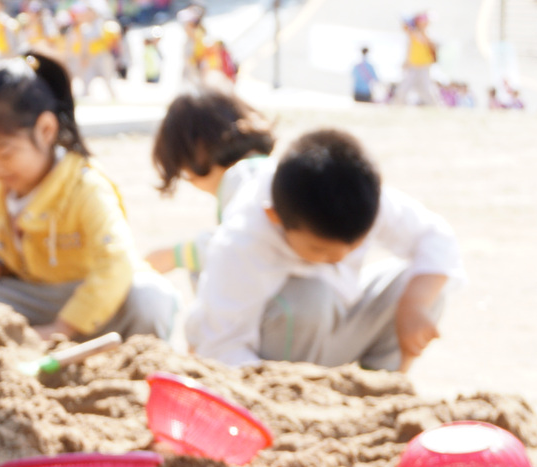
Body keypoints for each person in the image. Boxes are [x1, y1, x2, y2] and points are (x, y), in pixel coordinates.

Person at [182, 129, 461, 372]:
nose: (339, 258)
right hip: (275, 356)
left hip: (337, 329)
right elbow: (220, 346)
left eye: (355, 245)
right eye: (320, 250)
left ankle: (377, 393)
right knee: (309, 297)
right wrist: (275, 391)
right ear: (275, 218)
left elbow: (436, 238)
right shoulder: (242, 240)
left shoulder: (357, 195)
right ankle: (300, 393)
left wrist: (414, 306)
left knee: (420, 282)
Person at [0, 55, 179, 340]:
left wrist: (63, 329)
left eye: (4, 153)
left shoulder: (86, 186)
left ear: (46, 130)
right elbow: (11, 254)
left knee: (149, 297)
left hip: (96, 301)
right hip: (42, 299)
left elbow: (116, 261)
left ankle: (133, 358)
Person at [145, 89, 278, 282]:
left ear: (199, 149)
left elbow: (239, 246)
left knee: (201, 269)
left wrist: (174, 256)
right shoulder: (265, 168)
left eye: (184, 171)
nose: (189, 179)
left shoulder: (242, 177)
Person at [399, 13, 440, 106]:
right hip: (414, 65)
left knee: (426, 89)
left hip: (424, 66)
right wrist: (407, 62)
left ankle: (435, 106)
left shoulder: (425, 34)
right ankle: (398, 104)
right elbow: (410, 49)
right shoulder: (414, 34)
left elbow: (426, 42)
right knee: (406, 87)